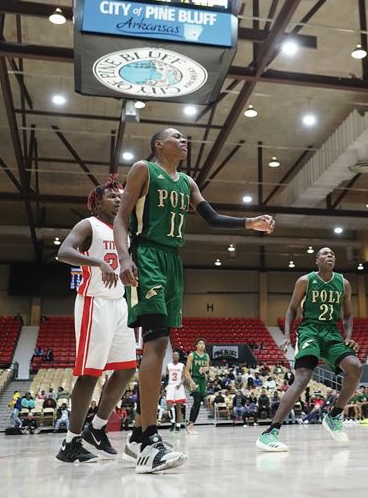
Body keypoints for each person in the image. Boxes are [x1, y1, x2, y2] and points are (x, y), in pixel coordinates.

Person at [116, 127, 274, 472]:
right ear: (159, 144)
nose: (184, 140)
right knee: (156, 342)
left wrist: (250, 222)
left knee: (163, 341)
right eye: (177, 136)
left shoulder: (187, 183)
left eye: (186, 137)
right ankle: (149, 437)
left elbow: (212, 218)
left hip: (174, 262)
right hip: (148, 256)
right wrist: (125, 258)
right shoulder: (143, 169)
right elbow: (121, 217)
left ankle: (137, 435)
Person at [54, 175, 142, 465]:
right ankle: (70, 442)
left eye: (121, 195)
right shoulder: (88, 225)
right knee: (90, 373)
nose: (118, 198)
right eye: (112, 195)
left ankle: (97, 427)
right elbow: (63, 252)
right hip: (95, 303)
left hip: (119, 304)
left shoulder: (124, 231)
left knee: (128, 369)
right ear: (97, 201)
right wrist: (97, 262)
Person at [256, 248, 363, 452]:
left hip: (332, 334)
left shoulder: (344, 283)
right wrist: (287, 336)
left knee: (356, 367)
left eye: (332, 253)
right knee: (303, 377)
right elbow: (292, 309)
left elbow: (348, 315)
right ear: (317, 260)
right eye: (325, 253)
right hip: (309, 331)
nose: (330, 255)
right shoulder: (305, 281)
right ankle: (270, 432)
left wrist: (349, 337)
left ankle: (333, 416)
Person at [183, 338, 210, 435]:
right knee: (196, 401)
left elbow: (207, 367)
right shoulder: (192, 355)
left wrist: (205, 369)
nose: (202, 345)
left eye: (203, 343)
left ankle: (191, 425)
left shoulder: (206, 356)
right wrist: (191, 382)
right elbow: (186, 370)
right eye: (200, 343)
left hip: (202, 381)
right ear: (196, 345)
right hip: (195, 379)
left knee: (199, 403)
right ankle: (190, 425)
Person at [165, 351, 187, 430]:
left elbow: (183, 377)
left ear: (179, 357)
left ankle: (178, 425)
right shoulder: (168, 365)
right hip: (170, 386)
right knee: (169, 406)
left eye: (177, 355)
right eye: (174, 355)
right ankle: (172, 422)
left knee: (178, 407)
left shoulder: (182, 365)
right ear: (172, 356)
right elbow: (166, 378)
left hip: (178, 386)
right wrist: (165, 387)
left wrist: (180, 383)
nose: (175, 356)